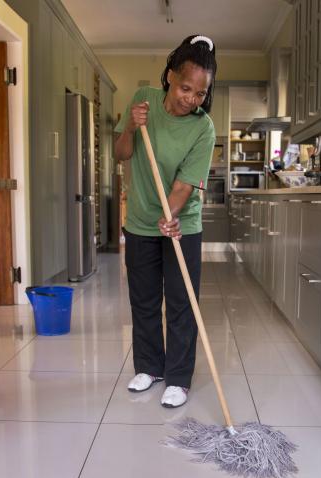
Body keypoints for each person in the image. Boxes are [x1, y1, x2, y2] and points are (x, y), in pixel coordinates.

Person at [114, 35, 217, 408]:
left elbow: (183, 186)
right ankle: (149, 367)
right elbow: (120, 153)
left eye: (200, 93)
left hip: (181, 222)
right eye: (186, 88)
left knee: (180, 301)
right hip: (140, 220)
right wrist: (129, 125)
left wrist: (170, 217)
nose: (191, 98)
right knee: (142, 299)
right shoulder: (142, 98)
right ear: (170, 76)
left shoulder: (203, 129)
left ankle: (177, 377)